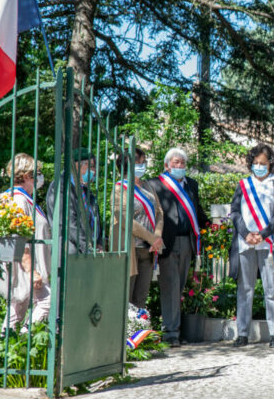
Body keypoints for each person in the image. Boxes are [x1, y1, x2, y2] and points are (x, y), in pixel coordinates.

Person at [228, 144, 274, 348]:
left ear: (270, 164)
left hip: (268, 243)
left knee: (271, 289)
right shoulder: (243, 185)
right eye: (255, 163)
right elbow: (235, 212)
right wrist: (246, 234)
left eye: (263, 163)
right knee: (245, 289)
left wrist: (262, 234)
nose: (259, 167)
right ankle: (243, 333)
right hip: (245, 243)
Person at [147, 147, 209, 347]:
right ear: (167, 165)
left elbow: (196, 210)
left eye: (182, 163)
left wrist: (211, 226)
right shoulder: (155, 184)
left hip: (187, 242)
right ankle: (170, 333)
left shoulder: (192, 184)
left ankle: (175, 329)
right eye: (176, 162)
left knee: (179, 287)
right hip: (166, 242)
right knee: (169, 288)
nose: (180, 166)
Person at [0, 153, 52, 332]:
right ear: (27, 175)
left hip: (28, 264)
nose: (40, 177)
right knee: (47, 301)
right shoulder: (19, 199)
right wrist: (31, 271)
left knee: (18, 307)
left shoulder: (24, 198)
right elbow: (18, 238)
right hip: (25, 265)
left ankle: (8, 347)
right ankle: (24, 338)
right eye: (38, 172)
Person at [111, 147, 164, 309]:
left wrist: (157, 235)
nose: (143, 165)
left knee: (141, 298)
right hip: (130, 248)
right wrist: (152, 238)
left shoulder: (148, 186)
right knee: (126, 298)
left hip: (148, 250)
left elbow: (159, 212)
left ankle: (139, 332)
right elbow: (125, 219)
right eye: (140, 162)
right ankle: (126, 333)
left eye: (143, 162)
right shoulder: (119, 189)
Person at [46, 148, 104, 253]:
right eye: (91, 166)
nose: (94, 171)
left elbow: (95, 218)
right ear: (77, 166)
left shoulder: (85, 189)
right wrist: (88, 247)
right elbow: (69, 223)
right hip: (70, 252)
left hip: (88, 252)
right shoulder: (61, 186)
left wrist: (99, 243)